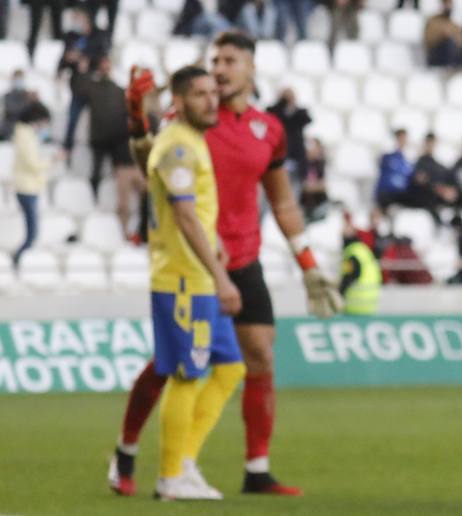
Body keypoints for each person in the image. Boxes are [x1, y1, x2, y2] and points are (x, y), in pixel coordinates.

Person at [110, 33, 343, 498]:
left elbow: (282, 201)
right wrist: (137, 116)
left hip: (243, 257)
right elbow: (148, 156)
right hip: (195, 260)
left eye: (229, 60)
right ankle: (131, 452)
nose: (219, 68)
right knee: (171, 365)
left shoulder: (268, 129)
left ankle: (255, 468)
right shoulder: (188, 120)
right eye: (214, 60)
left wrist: (308, 261)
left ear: (252, 67)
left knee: (252, 358)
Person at [141, 66, 245, 501]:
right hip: (184, 280)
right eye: (199, 94)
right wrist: (222, 277)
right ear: (179, 102)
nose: (210, 100)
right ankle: (170, 479)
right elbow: (183, 215)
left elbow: (192, 209)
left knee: (230, 368)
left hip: (199, 275)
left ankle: (184, 460)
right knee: (187, 375)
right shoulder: (178, 147)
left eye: (212, 92)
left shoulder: (192, 142)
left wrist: (217, 242)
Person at [77, 56, 143, 240]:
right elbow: (79, 89)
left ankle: (140, 232)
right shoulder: (93, 87)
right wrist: (82, 71)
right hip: (99, 138)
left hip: (115, 143)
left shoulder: (118, 91)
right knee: (96, 171)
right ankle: (93, 199)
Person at [10, 101, 50, 267]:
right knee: (32, 233)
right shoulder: (25, 136)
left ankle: (19, 262)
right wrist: (51, 161)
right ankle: (17, 261)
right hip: (26, 189)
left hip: (29, 188)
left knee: (33, 233)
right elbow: (32, 164)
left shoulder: (26, 134)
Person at [339, 224, 382, 316]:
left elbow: (350, 275)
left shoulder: (351, 252)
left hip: (355, 304)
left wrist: (339, 294)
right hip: (370, 305)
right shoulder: (364, 250)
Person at [375, 128, 415, 209]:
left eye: (404, 139)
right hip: (387, 193)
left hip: (402, 194)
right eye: (401, 138)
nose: (403, 141)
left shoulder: (408, 160)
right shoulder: (387, 156)